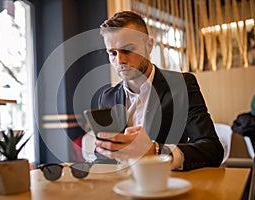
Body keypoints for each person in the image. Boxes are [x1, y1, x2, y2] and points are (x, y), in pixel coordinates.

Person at [94, 11, 224, 171]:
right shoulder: (107, 97)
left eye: (127, 50)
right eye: (112, 53)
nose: (119, 60)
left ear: (149, 46)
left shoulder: (182, 85)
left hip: (169, 186)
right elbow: (104, 158)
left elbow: (213, 150)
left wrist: (157, 151)